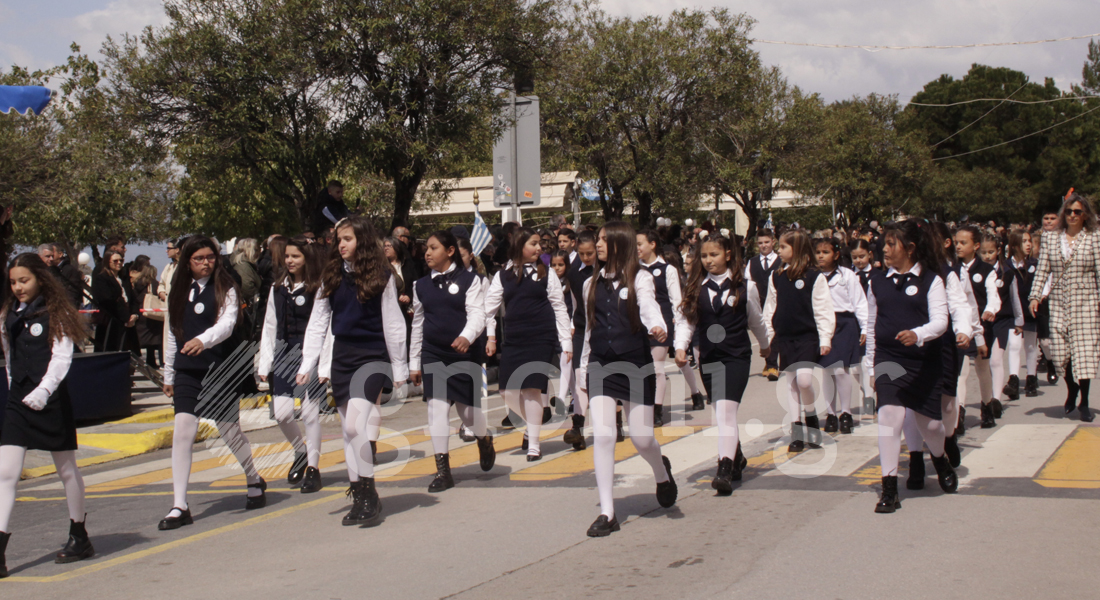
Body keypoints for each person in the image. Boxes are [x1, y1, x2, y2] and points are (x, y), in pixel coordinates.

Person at [298, 216, 408, 526]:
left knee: (355, 426)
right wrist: (308, 363)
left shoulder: (382, 276)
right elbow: (318, 322)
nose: (341, 244)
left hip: (372, 355)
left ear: (362, 240)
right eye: (338, 239)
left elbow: (393, 322)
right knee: (349, 430)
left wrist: (399, 366)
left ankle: (369, 493)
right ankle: (358, 493)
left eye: (347, 239)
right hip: (343, 358)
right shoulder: (331, 276)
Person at [159, 237, 267, 530]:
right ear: (187, 262)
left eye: (210, 257)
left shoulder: (225, 287)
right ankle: (179, 505)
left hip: (219, 368)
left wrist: (202, 341)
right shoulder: (179, 291)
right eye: (199, 258)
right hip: (187, 371)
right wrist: (169, 374)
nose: (205, 263)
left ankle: (253, 477)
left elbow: (227, 324)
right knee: (183, 431)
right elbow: (172, 332)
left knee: (229, 431)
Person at [0, 254, 96, 578]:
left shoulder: (56, 311)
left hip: (50, 399)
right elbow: (10, 355)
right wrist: (15, 389)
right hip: (19, 399)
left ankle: (79, 534)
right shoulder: (8, 314)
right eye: (13, 282)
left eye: (24, 280)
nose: (18, 287)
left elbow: (61, 357)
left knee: (66, 470)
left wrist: (44, 390)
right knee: (5, 473)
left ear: (40, 278)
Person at [578, 221, 676, 537]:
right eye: (598, 239)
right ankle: (608, 512)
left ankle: (661, 472)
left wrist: (657, 326)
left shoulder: (640, 277)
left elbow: (648, 305)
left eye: (604, 240)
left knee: (642, 439)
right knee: (604, 435)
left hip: (634, 363)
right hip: (601, 363)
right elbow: (590, 329)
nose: (598, 244)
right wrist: (583, 368)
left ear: (620, 243)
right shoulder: (590, 284)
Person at [866, 220, 957, 513]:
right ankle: (889, 489)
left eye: (891, 244)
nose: (885, 249)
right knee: (889, 417)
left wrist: (918, 334)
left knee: (930, 425)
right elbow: (871, 325)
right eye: (884, 243)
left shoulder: (932, 280)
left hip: (923, 361)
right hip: (888, 359)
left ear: (910, 248)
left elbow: (941, 322)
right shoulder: (876, 281)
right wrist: (871, 366)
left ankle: (940, 458)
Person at [674, 235, 769, 494]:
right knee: (721, 412)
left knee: (726, 411)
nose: (708, 260)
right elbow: (687, 321)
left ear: (728, 254)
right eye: (704, 256)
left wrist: (766, 346)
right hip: (710, 357)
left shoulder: (745, 287)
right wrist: (680, 347)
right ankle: (737, 457)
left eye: (714, 255)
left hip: (736, 356)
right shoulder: (695, 287)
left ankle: (724, 468)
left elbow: (756, 320)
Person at [409, 230, 492, 492]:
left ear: (450, 251)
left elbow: (477, 314)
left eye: (433, 248)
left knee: (467, 413)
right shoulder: (420, 285)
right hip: (433, 352)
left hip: (463, 353)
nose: (427, 253)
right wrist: (414, 362)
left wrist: (467, 336)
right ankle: (443, 471)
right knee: (437, 408)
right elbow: (418, 324)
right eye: (426, 248)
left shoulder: (471, 280)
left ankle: (484, 438)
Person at [484, 227, 572, 461]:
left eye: (539, 244)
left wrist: (566, 341)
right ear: (519, 246)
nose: (539, 248)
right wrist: (491, 337)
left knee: (532, 389)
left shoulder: (547, 273)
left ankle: (534, 443)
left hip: (541, 337)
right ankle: (530, 424)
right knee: (507, 391)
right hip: (514, 339)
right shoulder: (503, 275)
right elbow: (488, 310)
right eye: (533, 244)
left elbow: (559, 307)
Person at [257, 238, 326, 494]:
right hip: (284, 354)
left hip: (311, 352)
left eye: (295, 256)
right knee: (282, 413)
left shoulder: (317, 287)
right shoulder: (277, 288)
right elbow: (270, 325)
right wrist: (264, 362)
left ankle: (313, 469)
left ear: (307, 258)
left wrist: (323, 362)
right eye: (287, 256)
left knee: (310, 413)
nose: (289, 261)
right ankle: (300, 451)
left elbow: (324, 325)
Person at [1029, 193, 1100, 422]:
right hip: (1059, 302)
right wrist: (1035, 296)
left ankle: (1085, 402)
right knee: (1060, 353)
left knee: (1084, 354)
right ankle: (1072, 387)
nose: (1072, 215)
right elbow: (1042, 269)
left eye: (1077, 211)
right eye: (1068, 211)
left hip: (1086, 302)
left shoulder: (1094, 237)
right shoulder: (1051, 238)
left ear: (1085, 214)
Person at [764, 230, 834, 453]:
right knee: (792, 383)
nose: (779, 251)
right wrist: (769, 336)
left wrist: (825, 337)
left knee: (804, 381)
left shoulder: (814, 276)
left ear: (797, 249)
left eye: (784, 247)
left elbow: (823, 308)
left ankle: (810, 415)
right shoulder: (777, 276)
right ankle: (796, 429)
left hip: (807, 336)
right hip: (785, 336)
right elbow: (770, 307)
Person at [814, 238, 867, 435]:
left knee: (841, 369)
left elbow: (859, 301)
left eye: (825, 252)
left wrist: (864, 327)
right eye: (818, 252)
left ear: (836, 255)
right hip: (822, 324)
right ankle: (831, 413)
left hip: (844, 323)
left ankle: (846, 413)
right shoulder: (813, 276)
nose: (821, 256)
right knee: (827, 369)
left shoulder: (847, 275)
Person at [955, 225, 1000, 428]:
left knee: (982, 368)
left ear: (976, 246)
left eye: (963, 243)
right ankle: (959, 412)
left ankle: (987, 405)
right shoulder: (953, 269)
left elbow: (993, 295)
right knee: (961, 371)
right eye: (956, 242)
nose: (958, 246)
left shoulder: (986, 271)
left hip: (982, 325)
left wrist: (990, 310)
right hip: (961, 327)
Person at [637, 230, 680, 427]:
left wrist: (678, 326)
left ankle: (657, 409)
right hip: (640, 324)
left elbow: (676, 300)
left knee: (657, 367)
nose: (637, 248)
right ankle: (644, 404)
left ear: (652, 244)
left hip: (662, 323)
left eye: (640, 244)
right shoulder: (634, 270)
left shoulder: (667, 269)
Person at [562, 231, 598, 450]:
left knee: (604, 377)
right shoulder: (574, 272)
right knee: (579, 377)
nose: (586, 258)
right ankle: (578, 428)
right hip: (582, 327)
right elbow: (575, 302)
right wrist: (572, 325)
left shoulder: (606, 271)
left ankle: (616, 422)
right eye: (582, 254)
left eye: (590, 253)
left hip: (603, 328)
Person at [1006, 231, 1040, 397]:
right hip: (1013, 311)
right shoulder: (1006, 265)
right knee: (1014, 345)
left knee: (1031, 346)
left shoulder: (1035, 264)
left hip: (1030, 309)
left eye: (1029, 241)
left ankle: (1031, 378)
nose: (1028, 244)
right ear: (1014, 245)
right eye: (1024, 241)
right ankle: (1013, 380)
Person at [746, 230, 781, 381]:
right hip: (759, 302)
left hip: (777, 302)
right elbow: (748, 282)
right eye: (760, 243)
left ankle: (772, 364)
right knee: (765, 331)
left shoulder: (780, 261)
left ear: (773, 242)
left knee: (775, 331)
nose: (764, 245)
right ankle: (769, 362)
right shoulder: (752, 262)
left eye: (766, 242)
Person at [91, 249, 136, 352]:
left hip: (128, 322)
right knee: (110, 352)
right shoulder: (102, 278)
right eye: (115, 261)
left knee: (128, 353)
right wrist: (126, 317)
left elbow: (133, 299)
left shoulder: (124, 278)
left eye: (121, 260)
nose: (119, 263)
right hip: (111, 321)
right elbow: (107, 300)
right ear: (108, 262)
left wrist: (134, 315)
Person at [129, 257, 163, 367]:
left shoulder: (136, 283)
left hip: (140, 313)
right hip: (151, 314)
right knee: (153, 339)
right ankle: (152, 360)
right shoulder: (154, 284)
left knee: (141, 339)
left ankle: (136, 360)